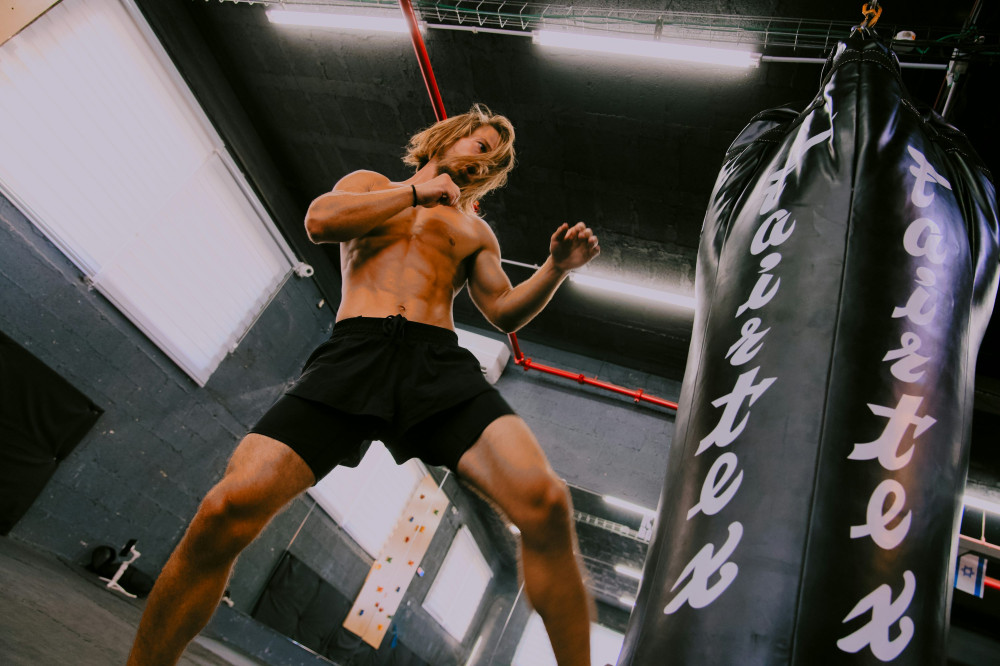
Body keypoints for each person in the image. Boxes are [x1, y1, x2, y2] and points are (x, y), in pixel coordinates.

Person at [127, 103, 599, 666]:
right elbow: (321, 222)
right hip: (354, 352)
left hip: (435, 363)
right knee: (225, 509)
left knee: (546, 503)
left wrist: (555, 269)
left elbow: (503, 311)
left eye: (496, 161)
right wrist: (417, 194)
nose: (487, 161)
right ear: (449, 137)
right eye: (482, 145)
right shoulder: (371, 185)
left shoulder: (475, 231)